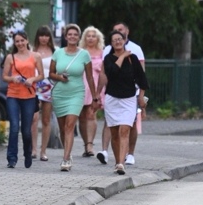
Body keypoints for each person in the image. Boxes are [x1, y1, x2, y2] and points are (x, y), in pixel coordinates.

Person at [95, 29, 148, 175]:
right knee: (114, 132)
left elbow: (142, 79)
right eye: (114, 40)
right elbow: (112, 73)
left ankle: (121, 163)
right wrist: (123, 55)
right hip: (112, 98)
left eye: (120, 39)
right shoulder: (108, 58)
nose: (118, 42)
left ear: (125, 40)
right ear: (111, 43)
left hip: (129, 98)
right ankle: (118, 158)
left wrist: (141, 96)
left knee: (124, 129)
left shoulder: (133, 58)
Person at [49, 24, 95, 171]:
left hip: (76, 93)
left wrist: (95, 96)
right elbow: (50, 74)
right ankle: (66, 152)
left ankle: (66, 159)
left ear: (79, 37)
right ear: (65, 36)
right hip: (60, 93)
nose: (72, 37)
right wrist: (60, 77)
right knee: (63, 128)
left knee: (70, 125)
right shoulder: (58, 53)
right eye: (70, 34)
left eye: (75, 34)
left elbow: (89, 77)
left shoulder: (84, 55)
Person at [1, 30, 44, 168]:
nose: (20, 43)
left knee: (26, 130)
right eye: (17, 41)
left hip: (29, 95)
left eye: (22, 40)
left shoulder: (35, 56)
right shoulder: (10, 57)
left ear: (27, 41)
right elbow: (5, 77)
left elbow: (42, 75)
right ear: (14, 43)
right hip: (13, 94)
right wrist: (13, 78)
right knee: (14, 127)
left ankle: (28, 152)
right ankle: (12, 158)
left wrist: (32, 79)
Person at [78, 25, 106, 157]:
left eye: (93, 36)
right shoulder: (80, 51)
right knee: (82, 116)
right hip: (81, 85)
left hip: (95, 86)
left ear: (97, 38)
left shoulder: (102, 52)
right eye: (88, 36)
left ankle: (90, 144)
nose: (90, 38)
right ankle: (85, 144)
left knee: (91, 114)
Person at [30, 25, 56, 162]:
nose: (44, 38)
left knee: (46, 119)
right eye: (41, 35)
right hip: (34, 84)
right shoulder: (32, 50)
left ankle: (43, 151)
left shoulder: (55, 51)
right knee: (33, 118)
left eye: (46, 36)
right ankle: (33, 149)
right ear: (37, 37)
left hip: (49, 85)